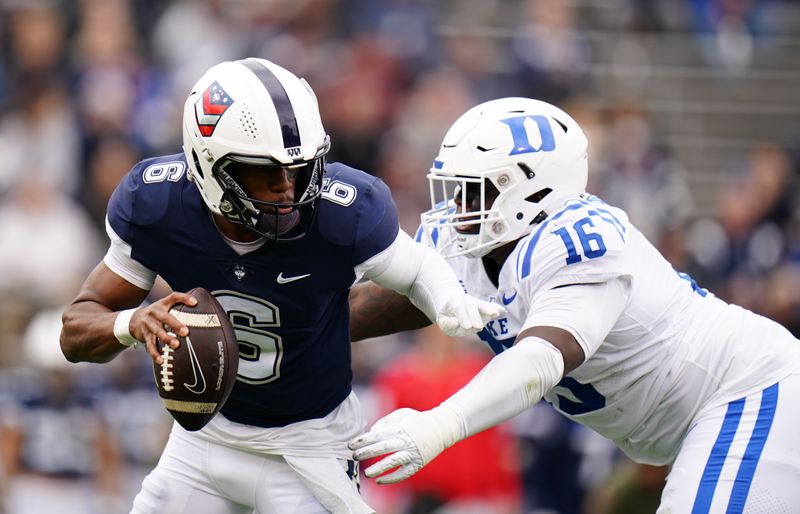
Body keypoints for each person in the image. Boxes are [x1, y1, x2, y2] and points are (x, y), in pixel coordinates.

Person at [59, 58, 503, 514]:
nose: (287, 187)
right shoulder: (156, 204)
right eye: (263, 171)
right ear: (207, 165)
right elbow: (75, 331)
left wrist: (448, 298)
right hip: (205, 442)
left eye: (299, 167)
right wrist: (132, 322)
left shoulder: (343, 210)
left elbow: (415, 269)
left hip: (311, 447)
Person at [348, 97, 800, 512]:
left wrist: (438, 426)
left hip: (746, 390)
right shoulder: (476, 240)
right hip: (689, 422)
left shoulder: (582, 242)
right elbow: (387, 302)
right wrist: (289, 326)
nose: (460, 206)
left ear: (532, 191)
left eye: (477, 189)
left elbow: (538, 362)